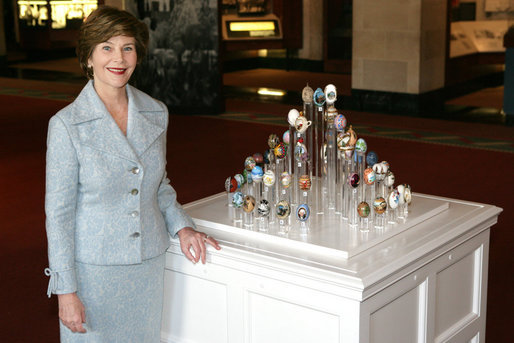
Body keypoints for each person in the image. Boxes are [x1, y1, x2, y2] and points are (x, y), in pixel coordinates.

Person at [44, 6, 220, 342]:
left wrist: (183, 226)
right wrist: (65, 290)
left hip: (147, 264)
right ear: (88, 57)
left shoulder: (155, 112)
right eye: (107, 47)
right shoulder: (66, 125)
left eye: (128, 47)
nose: (119, 58)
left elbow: (158, 185)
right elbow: (59, 214)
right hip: (94, 271)